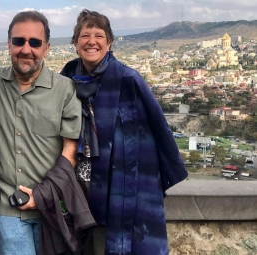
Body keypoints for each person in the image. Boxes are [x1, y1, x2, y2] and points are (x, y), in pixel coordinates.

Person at [60, 9, 188, 255]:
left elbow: (156, 129)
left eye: (99, 35)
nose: (92, 41)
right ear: (75, 43)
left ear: (109, 42)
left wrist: (158, 175)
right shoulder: (65, 79)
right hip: (77, 184)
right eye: (85, 35)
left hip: (118, 183)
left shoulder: (128, 79)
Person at [0, 11, 82, 255]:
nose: (26, 49)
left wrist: (43, 194)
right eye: (19, 41)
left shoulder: (64, 89)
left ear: (46, 48)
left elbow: (71, 149)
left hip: (53, 206)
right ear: (9, 45)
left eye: (35, 42)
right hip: (6, 208)